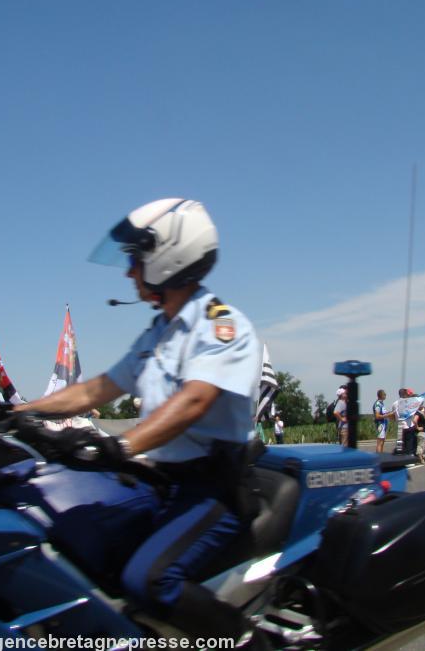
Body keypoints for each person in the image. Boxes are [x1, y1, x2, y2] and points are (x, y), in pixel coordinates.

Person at [15, 198, 266, 647]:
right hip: (162, 482)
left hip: (214, 488)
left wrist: (121, 446)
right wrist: (16, 413)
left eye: (135, 259)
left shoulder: (220, 326)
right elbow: (96, 390)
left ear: (171, 255)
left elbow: (194, 401)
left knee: (150, 580)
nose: (129, 271)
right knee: (79, 540)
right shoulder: (158, 333)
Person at [373, 389, 393, 454]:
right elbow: (377, 416)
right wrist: (387, 415)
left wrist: (390, 414)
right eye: (384, 394)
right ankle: (378, 458)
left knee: (382, 442)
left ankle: (381, 456)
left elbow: (384, 413)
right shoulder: (378, 404)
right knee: (380, 442)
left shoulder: (382, 403)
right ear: (381, 395)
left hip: (384, 424)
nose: (385, 395)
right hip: (380, 424)